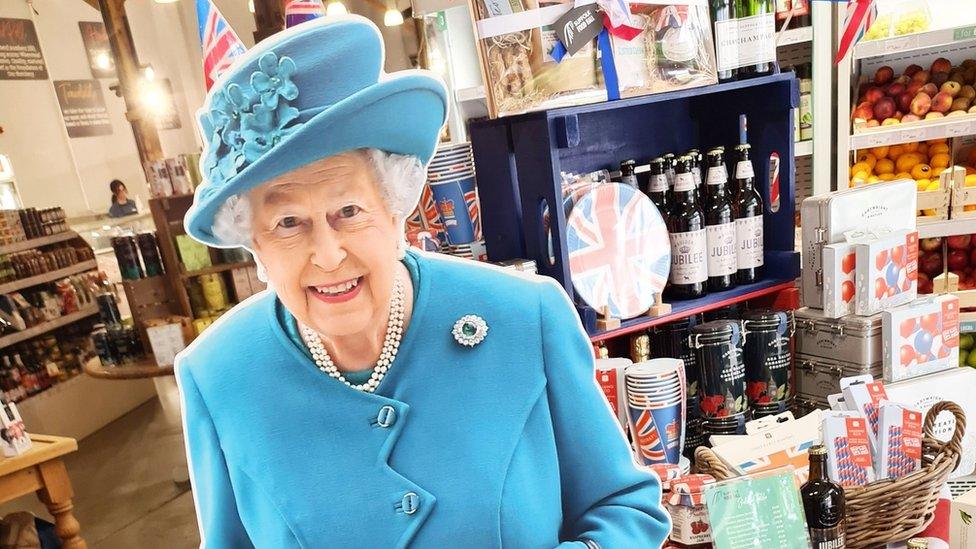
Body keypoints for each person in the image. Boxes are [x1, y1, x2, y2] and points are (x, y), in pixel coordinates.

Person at [176, 16, 670, 548]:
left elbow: (625, 508)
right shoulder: (217, 377)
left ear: (396, 210)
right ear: (256, 244)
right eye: (287, 223)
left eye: (348, 210)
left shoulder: (527, 318)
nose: (327, 253)